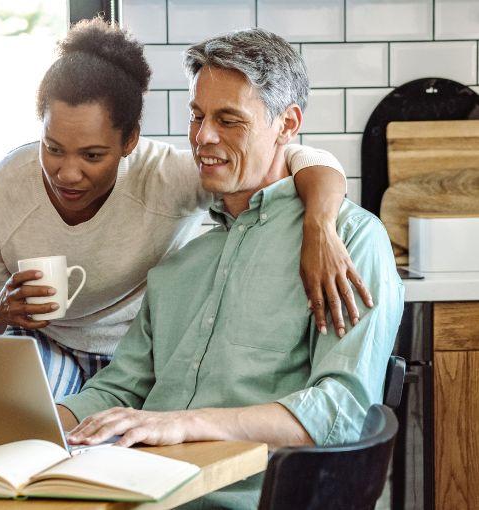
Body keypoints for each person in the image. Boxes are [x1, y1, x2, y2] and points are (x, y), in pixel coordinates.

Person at [56, 28, 404, 508]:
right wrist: (43, 420)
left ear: (287, 125)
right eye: (197, 116)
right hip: (137, 493)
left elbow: (340, 410)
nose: (203, 137)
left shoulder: (347, 242)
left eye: (229, 120)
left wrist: (185, 422)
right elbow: (120, 387)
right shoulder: (181, 259)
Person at [0, 18, 372, 400]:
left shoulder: (167, 177)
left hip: (138, 358)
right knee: (16, 426)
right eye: (53, 149)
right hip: (50, 346)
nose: (67, 173)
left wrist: (320, 227)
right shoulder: (3, 192)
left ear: (129, 142)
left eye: (93, 155)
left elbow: (305, 160)